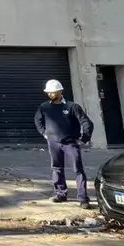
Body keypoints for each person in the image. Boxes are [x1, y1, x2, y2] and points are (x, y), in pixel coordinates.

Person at [34, 79, 93, 208]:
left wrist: (84, 138)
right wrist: (44, 133)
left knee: (78, 169)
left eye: (53, 92)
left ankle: (83, 198)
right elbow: (38, 120)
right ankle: (60, 194)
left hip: (70, 142)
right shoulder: (44, 107)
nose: (50, 94)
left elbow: (87, 123)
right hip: (53, 142)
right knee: (56, 167)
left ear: (60, 92)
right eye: (48, 92)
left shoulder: (72, 107)